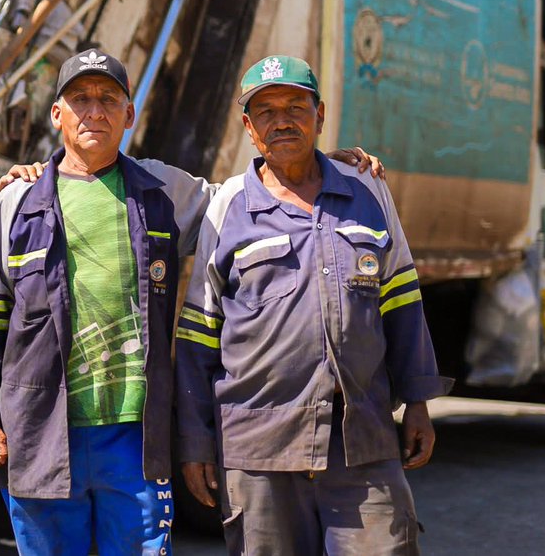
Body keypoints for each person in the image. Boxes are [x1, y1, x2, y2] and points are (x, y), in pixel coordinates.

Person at [0, 49, 383, 555]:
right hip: (41, 427)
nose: (94, 111)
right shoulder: (19, 202)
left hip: (136, 438)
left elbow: (253, 196)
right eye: (79, 100)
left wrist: (322, 165)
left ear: (129, 115)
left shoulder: (163, 189)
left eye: (108, 99)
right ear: (57, 115)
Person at [176, 55, 454, 555]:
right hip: (258, 446)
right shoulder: (227, 206)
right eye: (265, 111)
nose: (281, 120)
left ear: (320, 116)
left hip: (361, 441)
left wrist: (418, 403)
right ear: (248, 127)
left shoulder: (368, 190)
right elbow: (198, 336)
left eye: (295, 106)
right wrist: (195, 441)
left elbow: (403, 305)